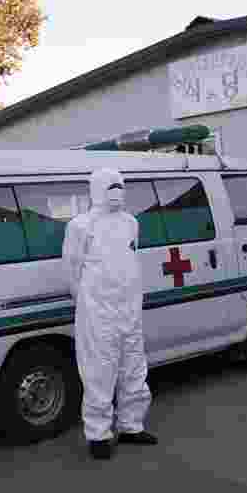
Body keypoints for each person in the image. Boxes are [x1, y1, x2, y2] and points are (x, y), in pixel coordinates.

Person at [62, 168, 157, 460]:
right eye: (110, 185)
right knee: (99, 372)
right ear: (96, 189)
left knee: (134, 368)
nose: (116, 190)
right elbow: (71, 269)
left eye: (120, 185)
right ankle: (98, 434)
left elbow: (131, 259)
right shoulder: (81, 226)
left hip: (128, 308)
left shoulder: (130, 222)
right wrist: (88, 302)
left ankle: (131, 425)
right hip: (97, 311)